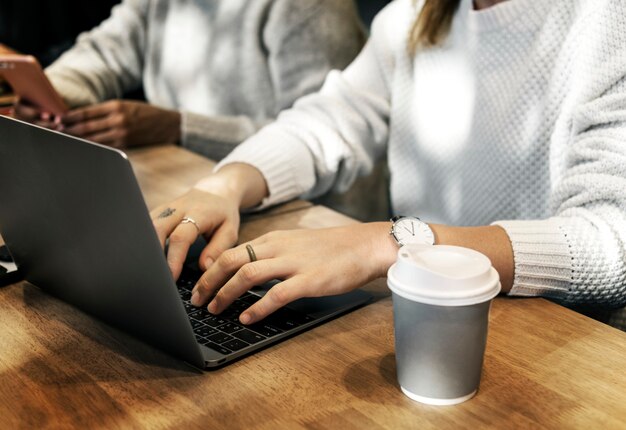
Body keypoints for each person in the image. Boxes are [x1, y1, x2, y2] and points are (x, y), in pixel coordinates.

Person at [151, 0, 626, 326]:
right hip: (416, 313)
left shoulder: (608, 22)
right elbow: (330, 120)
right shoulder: (413, 16)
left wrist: (392, 242)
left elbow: (610, 243)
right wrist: (226, 185)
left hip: (547, 335)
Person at [13, 0, 365, 159]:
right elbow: (105, 51)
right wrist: (53, 95)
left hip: (301, 217)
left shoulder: (310, 8)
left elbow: (322, 137)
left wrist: (180, 128)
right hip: (191, 189)